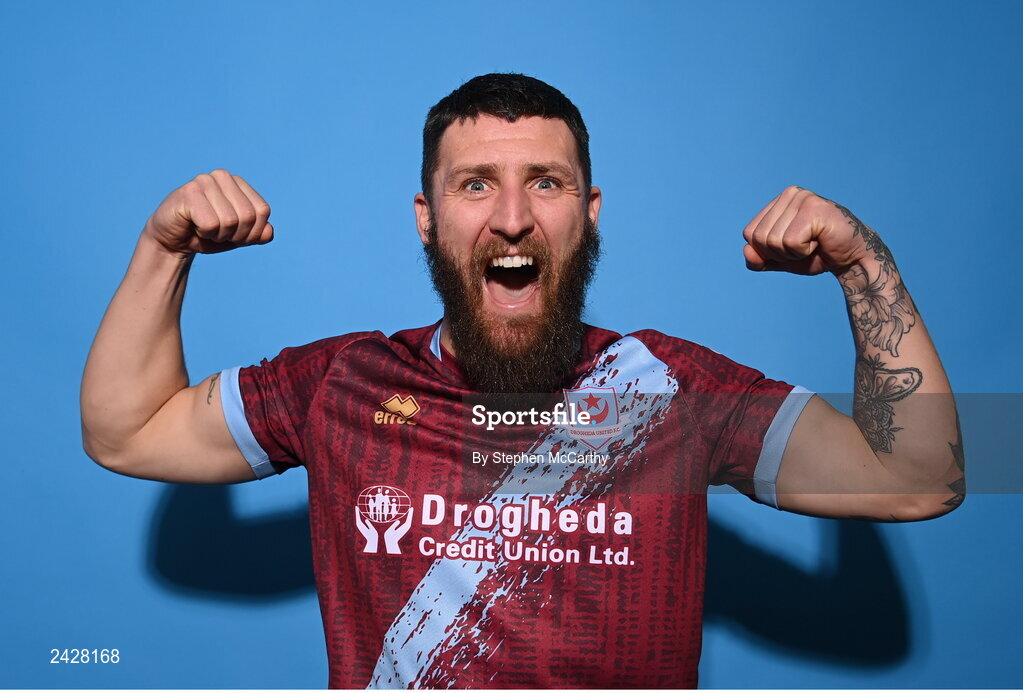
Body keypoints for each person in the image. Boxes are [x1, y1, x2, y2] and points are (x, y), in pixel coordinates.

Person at [80, 73, 964, 688]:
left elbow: (915, 477)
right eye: (475, 184)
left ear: (588, 211)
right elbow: (126, 429)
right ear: (427, 221)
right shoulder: (342, 383)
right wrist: (166, 253)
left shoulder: (670, 387)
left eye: (545, 182)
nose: (511, 218)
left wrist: (862, 265)